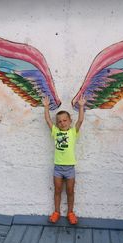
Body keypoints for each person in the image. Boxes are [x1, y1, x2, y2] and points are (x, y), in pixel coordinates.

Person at [42, 95, 86, 224]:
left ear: (69, 121)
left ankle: (70, 213)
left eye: (65, 120)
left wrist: (82, 106)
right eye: (60, 121)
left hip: (70, 168)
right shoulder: (55, 132)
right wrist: (46, 107)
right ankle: (56, 212)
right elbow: (48, 120)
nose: (62, 123)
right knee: (57, 191)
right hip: (58, 168)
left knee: (70, 191)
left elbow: (81, 121)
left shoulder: (73, 132)